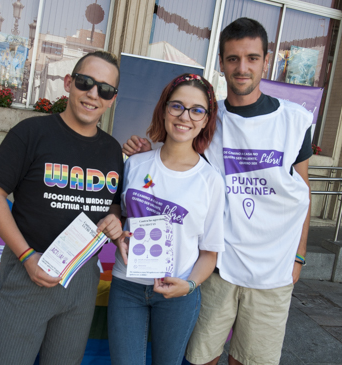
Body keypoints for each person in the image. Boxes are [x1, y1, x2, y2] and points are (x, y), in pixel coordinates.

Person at [122, 18, 313, 365]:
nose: (243, 68)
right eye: (233, 59)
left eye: (252, 58)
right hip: (218, 267)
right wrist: (142, 153)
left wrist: (299, 255)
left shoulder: (295, 121)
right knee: (201, 358)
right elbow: (171, 157)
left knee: (249, 360)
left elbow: (303, 194)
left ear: (266, 61)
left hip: (274, 269)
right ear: (222, 63)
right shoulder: (208, 118)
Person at [0, 50, 124, 365]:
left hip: (82, 278)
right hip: (30, 270)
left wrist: (114, 221)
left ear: (112, 99)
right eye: (86, 82)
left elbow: (112, 207)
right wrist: (27, 257)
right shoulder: (31, 133)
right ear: (69, 83)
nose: (93, 94)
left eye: (105, 89)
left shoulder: (112, 150)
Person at [108, 73, 225, 365]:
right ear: (163, 109)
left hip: (179, 292)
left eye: (197, 110)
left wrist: (191, 285)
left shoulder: (210, 180)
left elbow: (210, 253)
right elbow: (115, 213)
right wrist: (116, 234)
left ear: (206, 119)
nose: (185, 116)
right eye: (177, 106)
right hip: (127, 286)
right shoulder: (135, 163)